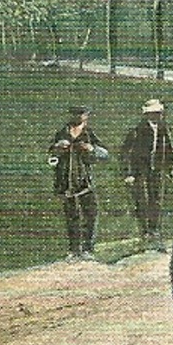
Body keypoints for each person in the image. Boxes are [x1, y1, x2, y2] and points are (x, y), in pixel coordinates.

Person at [49, 104, 108, 262]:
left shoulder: (88, 134)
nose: (78, 117)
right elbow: (51, 157)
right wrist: (58, 149)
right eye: (74, 114)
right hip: (66, 180)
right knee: (71, 215)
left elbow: (105, 153)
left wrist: (91, 149)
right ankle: (74, 250)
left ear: (86, 116)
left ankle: (88, 248)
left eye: (81, 114)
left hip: (85, 181)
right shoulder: (62, 133)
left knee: (90, 214)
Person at [121, 99, 173, 250]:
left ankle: (154, 231)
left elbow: (169, 149)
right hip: (140, 170)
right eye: (154, 114)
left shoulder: (163, 129)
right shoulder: (137, 130)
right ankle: (144, 231)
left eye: (159, 113)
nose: (158, 116)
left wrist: (171, 168)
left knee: (156, 200)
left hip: (157, 169)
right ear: (147, 115)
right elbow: (126, 153)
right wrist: (129, 173)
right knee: (141, 200)